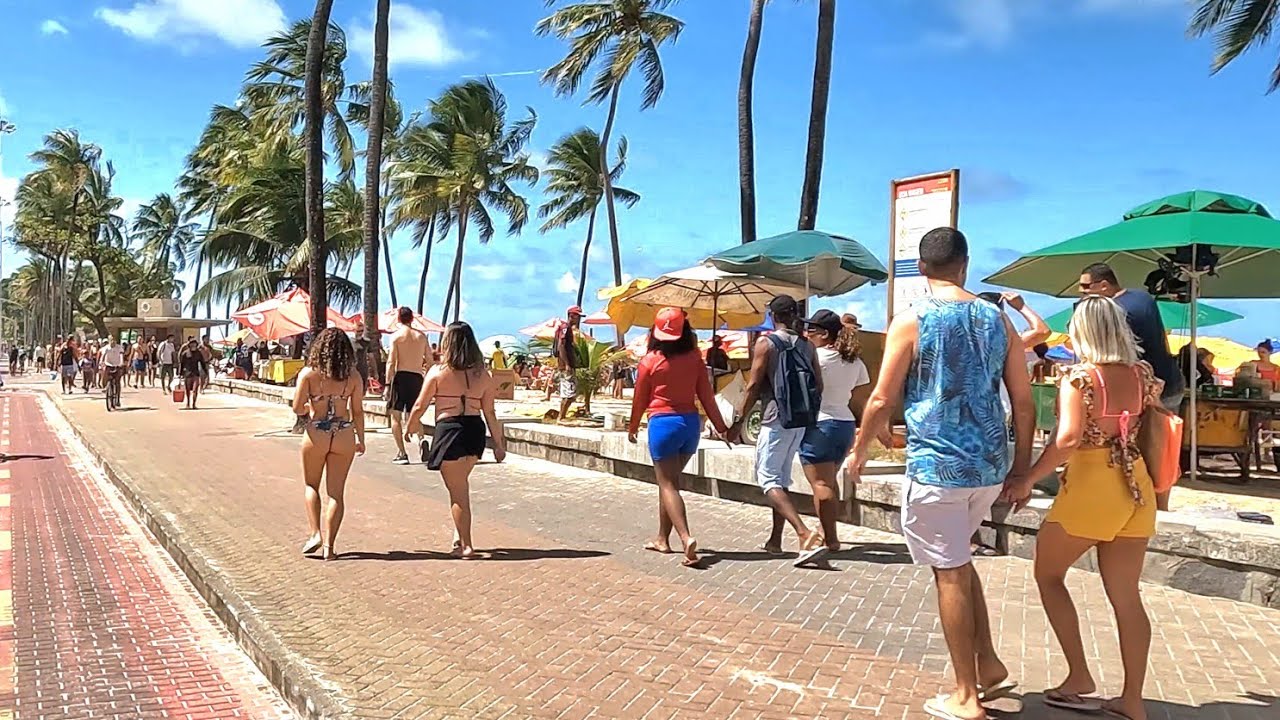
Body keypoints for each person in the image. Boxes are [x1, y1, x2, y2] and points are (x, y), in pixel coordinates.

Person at [845, 227, 1032, 720]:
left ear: (921, 269)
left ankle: (965, 695)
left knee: (948, 573)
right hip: (989, 465)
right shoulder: (998, 320)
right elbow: (1024, 401)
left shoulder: (911, 320)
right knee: (960, 562)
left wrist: (860, 448)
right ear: (965, 265)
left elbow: (883, 397)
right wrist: (1023, 466)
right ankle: (988, 664)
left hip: (937, 466)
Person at [1003, 295, 1162, 720]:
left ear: (1084, 331)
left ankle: (1079, 675)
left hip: (1094, 484)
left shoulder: (1080, 378)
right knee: (1127, 597)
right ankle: (1132, 698)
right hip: (1136, 485)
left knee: (1048, 572)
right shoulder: (1141, 373)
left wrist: (1028, 477)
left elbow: (1069, 438)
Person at [728, 294, 829, 567]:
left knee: (768, 480)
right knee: (781, 479)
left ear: (773, 315)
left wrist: (737, 421)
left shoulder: (767, 343)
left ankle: (804, 534)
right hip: (800, 419)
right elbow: (818, 385)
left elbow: (752, 386)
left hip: (776, 418)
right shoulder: (808, 346)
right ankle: (775, 540)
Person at [628, 308, 732, 568]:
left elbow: (640, 399)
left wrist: (632, 426)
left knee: (667, 485)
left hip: (662, 424)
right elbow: (707, 397)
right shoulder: (695, 359)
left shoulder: (650, 361)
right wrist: (721, 427)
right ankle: (663, 539)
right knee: (671, 483)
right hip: (689, 425)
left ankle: (686, 538)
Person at [405, 322, 507, 560]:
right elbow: (490, 412)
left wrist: (411, 425)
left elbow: (421, 404)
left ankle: (467, 545)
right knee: (461, 485)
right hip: (474, 430)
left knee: (458, 493)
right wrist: (499, 445)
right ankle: (459, 534)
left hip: (450, 430)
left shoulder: (438, 372)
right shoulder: (483, 375)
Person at [799, 309, 870, 552]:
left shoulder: (813, 357)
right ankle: (828, 530)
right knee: (830, 481)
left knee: (821, 485)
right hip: (845, 424)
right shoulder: (854, 361)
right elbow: (861, 398)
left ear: (824, 334)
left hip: (819, 423)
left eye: (811, 330)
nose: (807, 333)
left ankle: (830, 539)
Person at [292, 328, 366, 561]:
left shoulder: (309, 374)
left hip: (317, 432)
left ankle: (315, 533)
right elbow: (358, 411)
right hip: (344, 433)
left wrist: (311, 408)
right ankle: (330, 548)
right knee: (336, 493)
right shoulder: (353, 377)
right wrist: (361, 439)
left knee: (311, 486)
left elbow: (297, 407)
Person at [1078, 264, 1183, 410]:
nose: (1081, 291)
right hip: (1169, 381)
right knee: (1167, 430)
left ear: (1104, 285)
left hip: (1147, 388)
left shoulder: (1116, 311)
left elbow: (1108, 353)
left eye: (1086, 286)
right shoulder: (1142, 297)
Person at [385, 307, 430, 465]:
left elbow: (391, 361)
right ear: (412, 319)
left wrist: (387, 383)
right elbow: (430, 361)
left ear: (398, 318)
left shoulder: (396, 337)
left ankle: (402, 453)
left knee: (395, 416)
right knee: (415, 414)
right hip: (417, 377)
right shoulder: (421, 336)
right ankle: (422, 439)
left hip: (400, 377)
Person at [554, 306, 584, 423]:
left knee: (567, 392)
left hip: (565, 364)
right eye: (577, 316)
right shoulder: (566, 328)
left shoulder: (564, 328)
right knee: (570, 393)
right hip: (566, 365)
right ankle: (561, 417)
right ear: (571, 316)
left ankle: (562, 416)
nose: (578, 319)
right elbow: (561, 345)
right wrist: (567, 363)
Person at [178, 338, 208, 409]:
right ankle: (188, 403)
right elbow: (181, 364)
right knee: (187, 390)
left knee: (195, 390)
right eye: (192, 344)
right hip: (187, 374)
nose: (193, 345)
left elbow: (202, 363)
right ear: (189, 345)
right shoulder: (185, 353)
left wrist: (205, 372)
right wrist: (180, 373)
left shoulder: (198, 353)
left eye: (194, 344)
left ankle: (194, 404)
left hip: (196, 374)